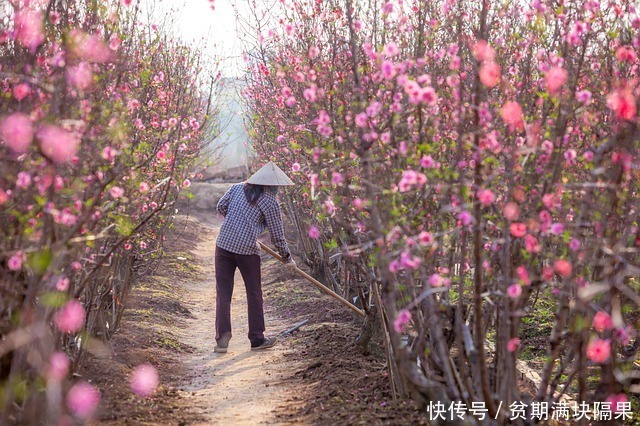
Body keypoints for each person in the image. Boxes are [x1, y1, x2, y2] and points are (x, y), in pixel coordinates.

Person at [214, 161, 296, 353]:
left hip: (223, 244)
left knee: (223, 295)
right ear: (271, 185)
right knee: (254, 294)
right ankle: (257, 340)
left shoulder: (236, 188)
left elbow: (221, 206)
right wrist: (287, 258)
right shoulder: (270, 202)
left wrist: (236, 225)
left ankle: (222, 342)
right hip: (247, 250)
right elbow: (277, 235)